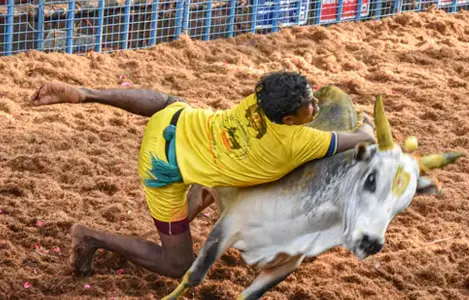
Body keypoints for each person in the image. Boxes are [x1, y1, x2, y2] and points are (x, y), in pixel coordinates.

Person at [31, 71, 376, 278]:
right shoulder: (296, 143)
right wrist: (368, 126)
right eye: (309, 106)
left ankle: (88, 94)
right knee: (177, 264)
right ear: (287, 120)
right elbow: (362, 136)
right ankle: (90, 236)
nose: (315, 106)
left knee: (171, 102)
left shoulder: (259, 101)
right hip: (162, 168)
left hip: (183, 124)